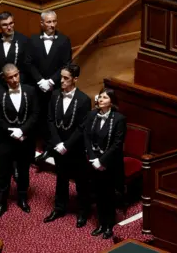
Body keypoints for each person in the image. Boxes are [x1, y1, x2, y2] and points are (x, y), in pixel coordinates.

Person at [43, 63, 92, 228]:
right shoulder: (55, 95)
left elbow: (81, 127)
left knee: (81, 181)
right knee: (61, 178)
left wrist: (67, 145)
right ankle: (59, 208)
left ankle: (83, 211)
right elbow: (50, 120)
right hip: (58, 147)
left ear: (75, 79)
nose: (61, 81)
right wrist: (57, 143)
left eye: (66, 78)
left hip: (75, 148)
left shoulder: (84, 100)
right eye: (61, 77)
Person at [0, 64, 39, 220]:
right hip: (6, 140)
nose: (14, 79)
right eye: (10, 77)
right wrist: (11, 131)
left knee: (24, 170)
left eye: (16, 75)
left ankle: (22, 199)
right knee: (4, 172)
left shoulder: (30, 91)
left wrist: (22, 130)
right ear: (5, 78)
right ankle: (2, 203)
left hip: (25, 139)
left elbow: (35, 114)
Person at [85, 88, 127, 239]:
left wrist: (102, 161)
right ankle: (101, 223)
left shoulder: (119, 119)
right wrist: (93, 158)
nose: (100, 99)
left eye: (105, 97)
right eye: (100, 96)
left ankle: (109, 225)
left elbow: (117, 144)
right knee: (98, 193)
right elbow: (87, 137)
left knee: (108, 195)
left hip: (110, 164)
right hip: (94, 161)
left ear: (111, 102)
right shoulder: (92, 115)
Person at [29, 10, 72, 154]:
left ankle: (50, 148)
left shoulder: (64, 40)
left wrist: (51, 82)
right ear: (42, 23)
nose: (52, 25)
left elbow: (66, 65)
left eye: (54, 21)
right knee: (36, 116)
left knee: (52, 118)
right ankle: (36, 147)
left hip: (55, 88)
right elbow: (29, 63)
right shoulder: (33, 40)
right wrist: (40, 81)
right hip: (37, 87)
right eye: (49, 22)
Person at [0, 12, 31, 92]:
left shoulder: (23, 40)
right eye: (5, 25)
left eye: (11, 23)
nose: (9, 27)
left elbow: (27, 66)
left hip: (18, 86)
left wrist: (17, 84)